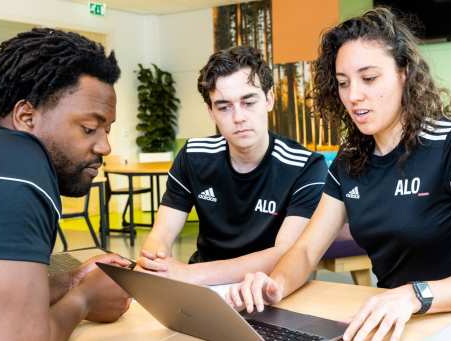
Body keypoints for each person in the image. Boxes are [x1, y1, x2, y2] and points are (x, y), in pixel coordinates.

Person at [226, 8, 451, 341]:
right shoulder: (350, 162)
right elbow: (306, 252)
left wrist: (412, 295)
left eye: (369, 78)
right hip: (393, 323)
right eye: (343, 83)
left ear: (404, 73)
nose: (353, 96)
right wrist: (273, 285)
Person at [0, 28, 132, 341]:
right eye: (89, 129)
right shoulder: (15, 167)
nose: (105, 147)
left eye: (107, 130)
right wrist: (84, 299)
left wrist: (73, 279)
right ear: (26, 117)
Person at [137, 46, 328, 285]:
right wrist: (155, 261)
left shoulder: (306, 166)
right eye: (224, 107)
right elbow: (162, 234)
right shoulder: (193, 156)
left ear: (269, 100)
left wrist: (189, 274)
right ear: (211, 112)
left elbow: (285, 252)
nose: (238, 117)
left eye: (248, 102)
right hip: (203, 289)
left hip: (268, 287)